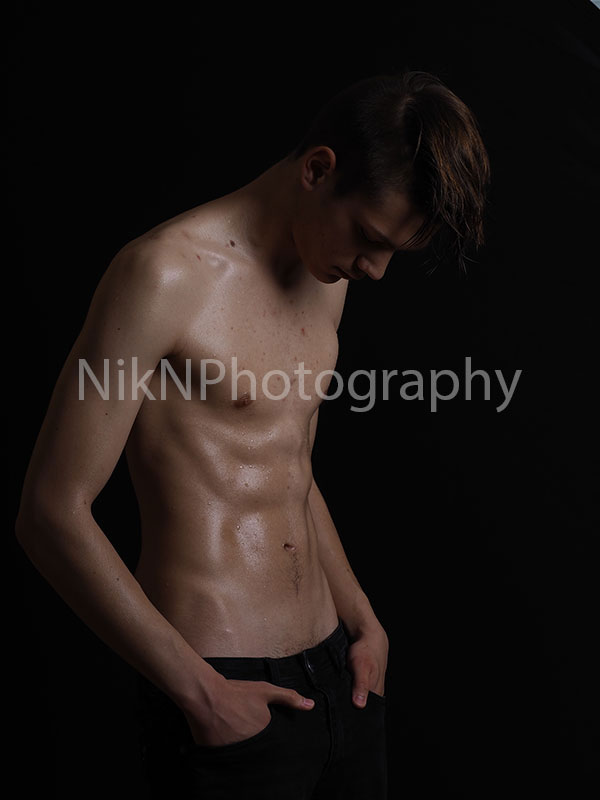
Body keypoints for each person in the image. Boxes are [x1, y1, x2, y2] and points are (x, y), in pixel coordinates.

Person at [15, 70, 490, 798]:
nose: (375, 271)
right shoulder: (161, 275)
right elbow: (51, 512)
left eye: (394, 251)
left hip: (341, 670)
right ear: (318, 169)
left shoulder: (328, 278)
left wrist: (364, 620)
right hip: (224, 691)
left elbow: (288, 462)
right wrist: (201, 693)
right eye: (370, 238)